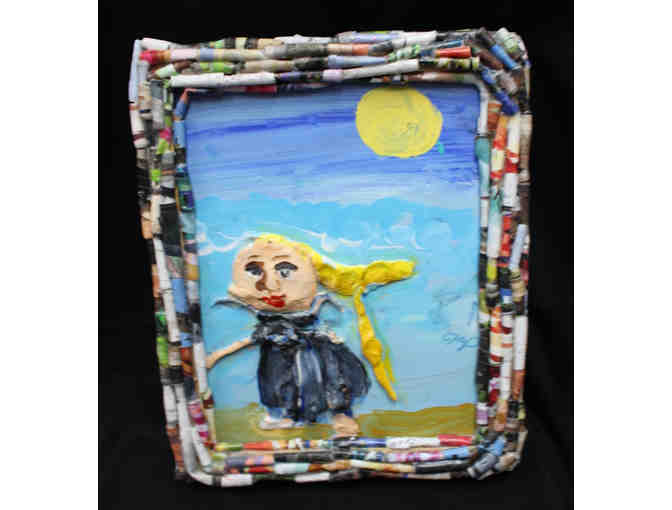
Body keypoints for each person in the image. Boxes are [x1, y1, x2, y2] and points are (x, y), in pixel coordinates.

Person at [207, 234, 414, 434]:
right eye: (253, 271)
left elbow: (250, 340)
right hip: (282, 359)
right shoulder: (270, 325)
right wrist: (216, 356)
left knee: (332, 380)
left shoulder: (317, 323)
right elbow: (249, 340)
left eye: (285, 271)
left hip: (318, 354)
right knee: (279, 382)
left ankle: (340, 415)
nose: (270, 285)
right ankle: (286, 415)